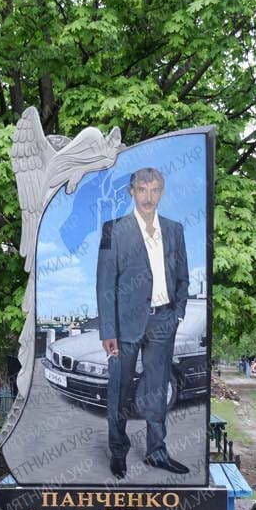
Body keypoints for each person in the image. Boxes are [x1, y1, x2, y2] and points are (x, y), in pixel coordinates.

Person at [96, 166, 190, 478]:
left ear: (161, 192)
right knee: (119, 389)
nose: (148, 197)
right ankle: (118, 452)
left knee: (157, 390)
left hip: (163, 320)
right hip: (124, 326)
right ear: (132, 192)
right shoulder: (112, 230)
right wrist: (107, 330)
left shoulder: (174, 230)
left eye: (154, 190)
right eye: (142, 189)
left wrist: (177, 314)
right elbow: (105, 284)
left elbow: (183, 277)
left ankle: (156, 452)